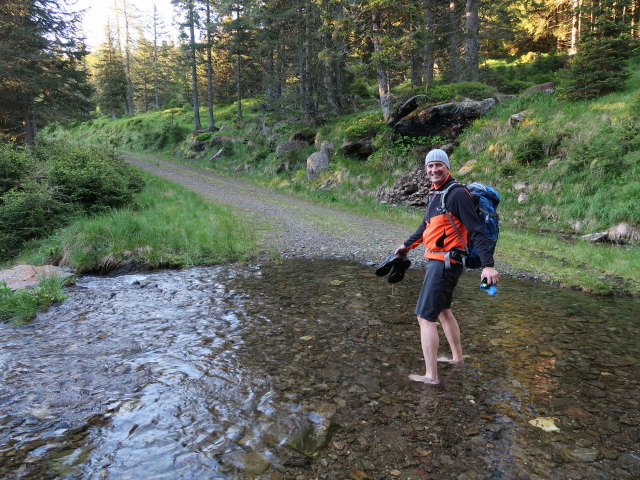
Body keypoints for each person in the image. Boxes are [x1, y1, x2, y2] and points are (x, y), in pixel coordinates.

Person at [394, 149, 498, 385]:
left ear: (447, 167)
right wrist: (406, 246)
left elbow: (476, 230)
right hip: (441, 262)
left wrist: (488, 266)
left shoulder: (457, 194)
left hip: (444, 263)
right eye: (430, 166)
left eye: (438, 165)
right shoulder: (435, 194)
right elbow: (425, 227)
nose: (433, 170)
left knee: (424, 317)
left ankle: (431, 375)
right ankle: (457, 359)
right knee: (443, 311)